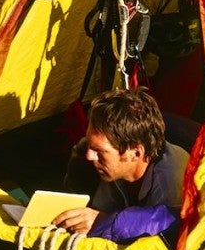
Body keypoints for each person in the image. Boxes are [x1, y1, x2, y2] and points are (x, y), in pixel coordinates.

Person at [54, 88, 190, 241]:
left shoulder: (170, 183)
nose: (90, 156)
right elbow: (102, 207)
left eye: (99, 151)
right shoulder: (116, 167)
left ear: (135, 154)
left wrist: (102, 222)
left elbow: (156, 247)